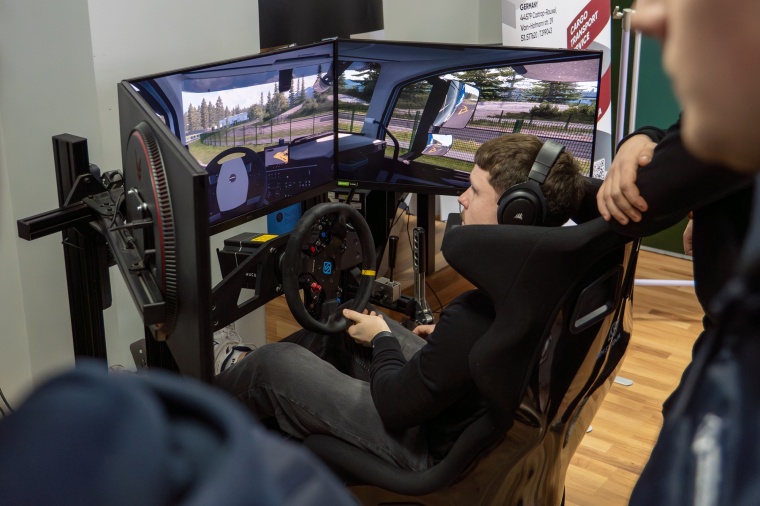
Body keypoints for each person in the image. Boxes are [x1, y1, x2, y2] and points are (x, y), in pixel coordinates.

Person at [214, 133, 586, 471]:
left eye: (474, 190)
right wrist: (448, 347)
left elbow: (395, 406)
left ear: (518, 212)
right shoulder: (544, 282)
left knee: (274, 365)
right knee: (343, 326)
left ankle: (202, 407)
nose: (462, 198)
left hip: (423, 446)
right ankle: (244, 381)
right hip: (459, 405)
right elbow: (481, 351)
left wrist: (383, 340)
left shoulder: (472, 316)